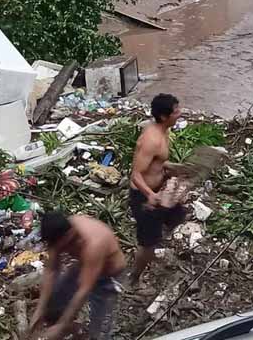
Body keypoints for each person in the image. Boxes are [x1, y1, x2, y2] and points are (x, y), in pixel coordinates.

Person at [26, 212, 126, 340]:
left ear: (70, 235)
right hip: (84, 266)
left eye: (66, 244)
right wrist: (39, 310)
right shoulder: (58, 232)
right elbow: (51, 270)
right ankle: (66, 326)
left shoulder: (93, 244)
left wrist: (62, 326)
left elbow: (83, 290)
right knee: (55, 301)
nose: (63, 249)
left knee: (99, 330)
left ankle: (83, 332)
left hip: (108, 276)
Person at [127, 93, 185, 286]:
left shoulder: (163, 131)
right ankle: (134, 278)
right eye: (176, 111)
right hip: (144, 197)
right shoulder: (151, 140)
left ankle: (158, 235)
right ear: (163, 116)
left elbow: (157, 162)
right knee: (147, 244)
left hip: (159, 190)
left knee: (178, 216)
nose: (180, 113)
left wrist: (172, 167)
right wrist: (150, 196)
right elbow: (136, 174)